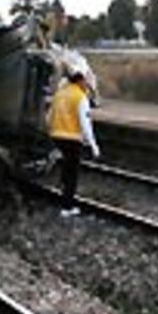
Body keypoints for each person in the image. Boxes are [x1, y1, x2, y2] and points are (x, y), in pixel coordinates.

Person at [48, 65, 100, 217]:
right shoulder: (80, 96)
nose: (87, 85)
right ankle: (67, 207)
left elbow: (49, 116)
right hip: (72, 138)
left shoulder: (60, 94)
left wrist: (50, 131)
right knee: (72, 173)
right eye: (86, 81)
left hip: (56, 136)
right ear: (80, 81)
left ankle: (62, 195)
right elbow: (85, 124)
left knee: (65, 169)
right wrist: (93, 146)